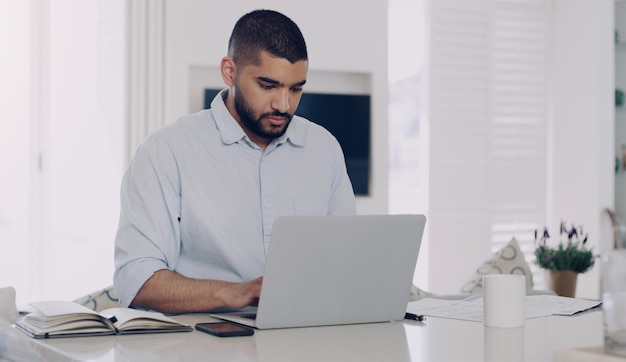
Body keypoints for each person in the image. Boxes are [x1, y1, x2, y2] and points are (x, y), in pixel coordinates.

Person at [113, 9, 356, 314]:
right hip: (199, 344)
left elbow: (346, 263)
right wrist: (234, 293)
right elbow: (134, 280)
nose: (284, 104)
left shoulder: (324, 149)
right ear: (229, 71)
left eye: (295, 89)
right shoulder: (166, 151)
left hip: (303, 336)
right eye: (268, 86)